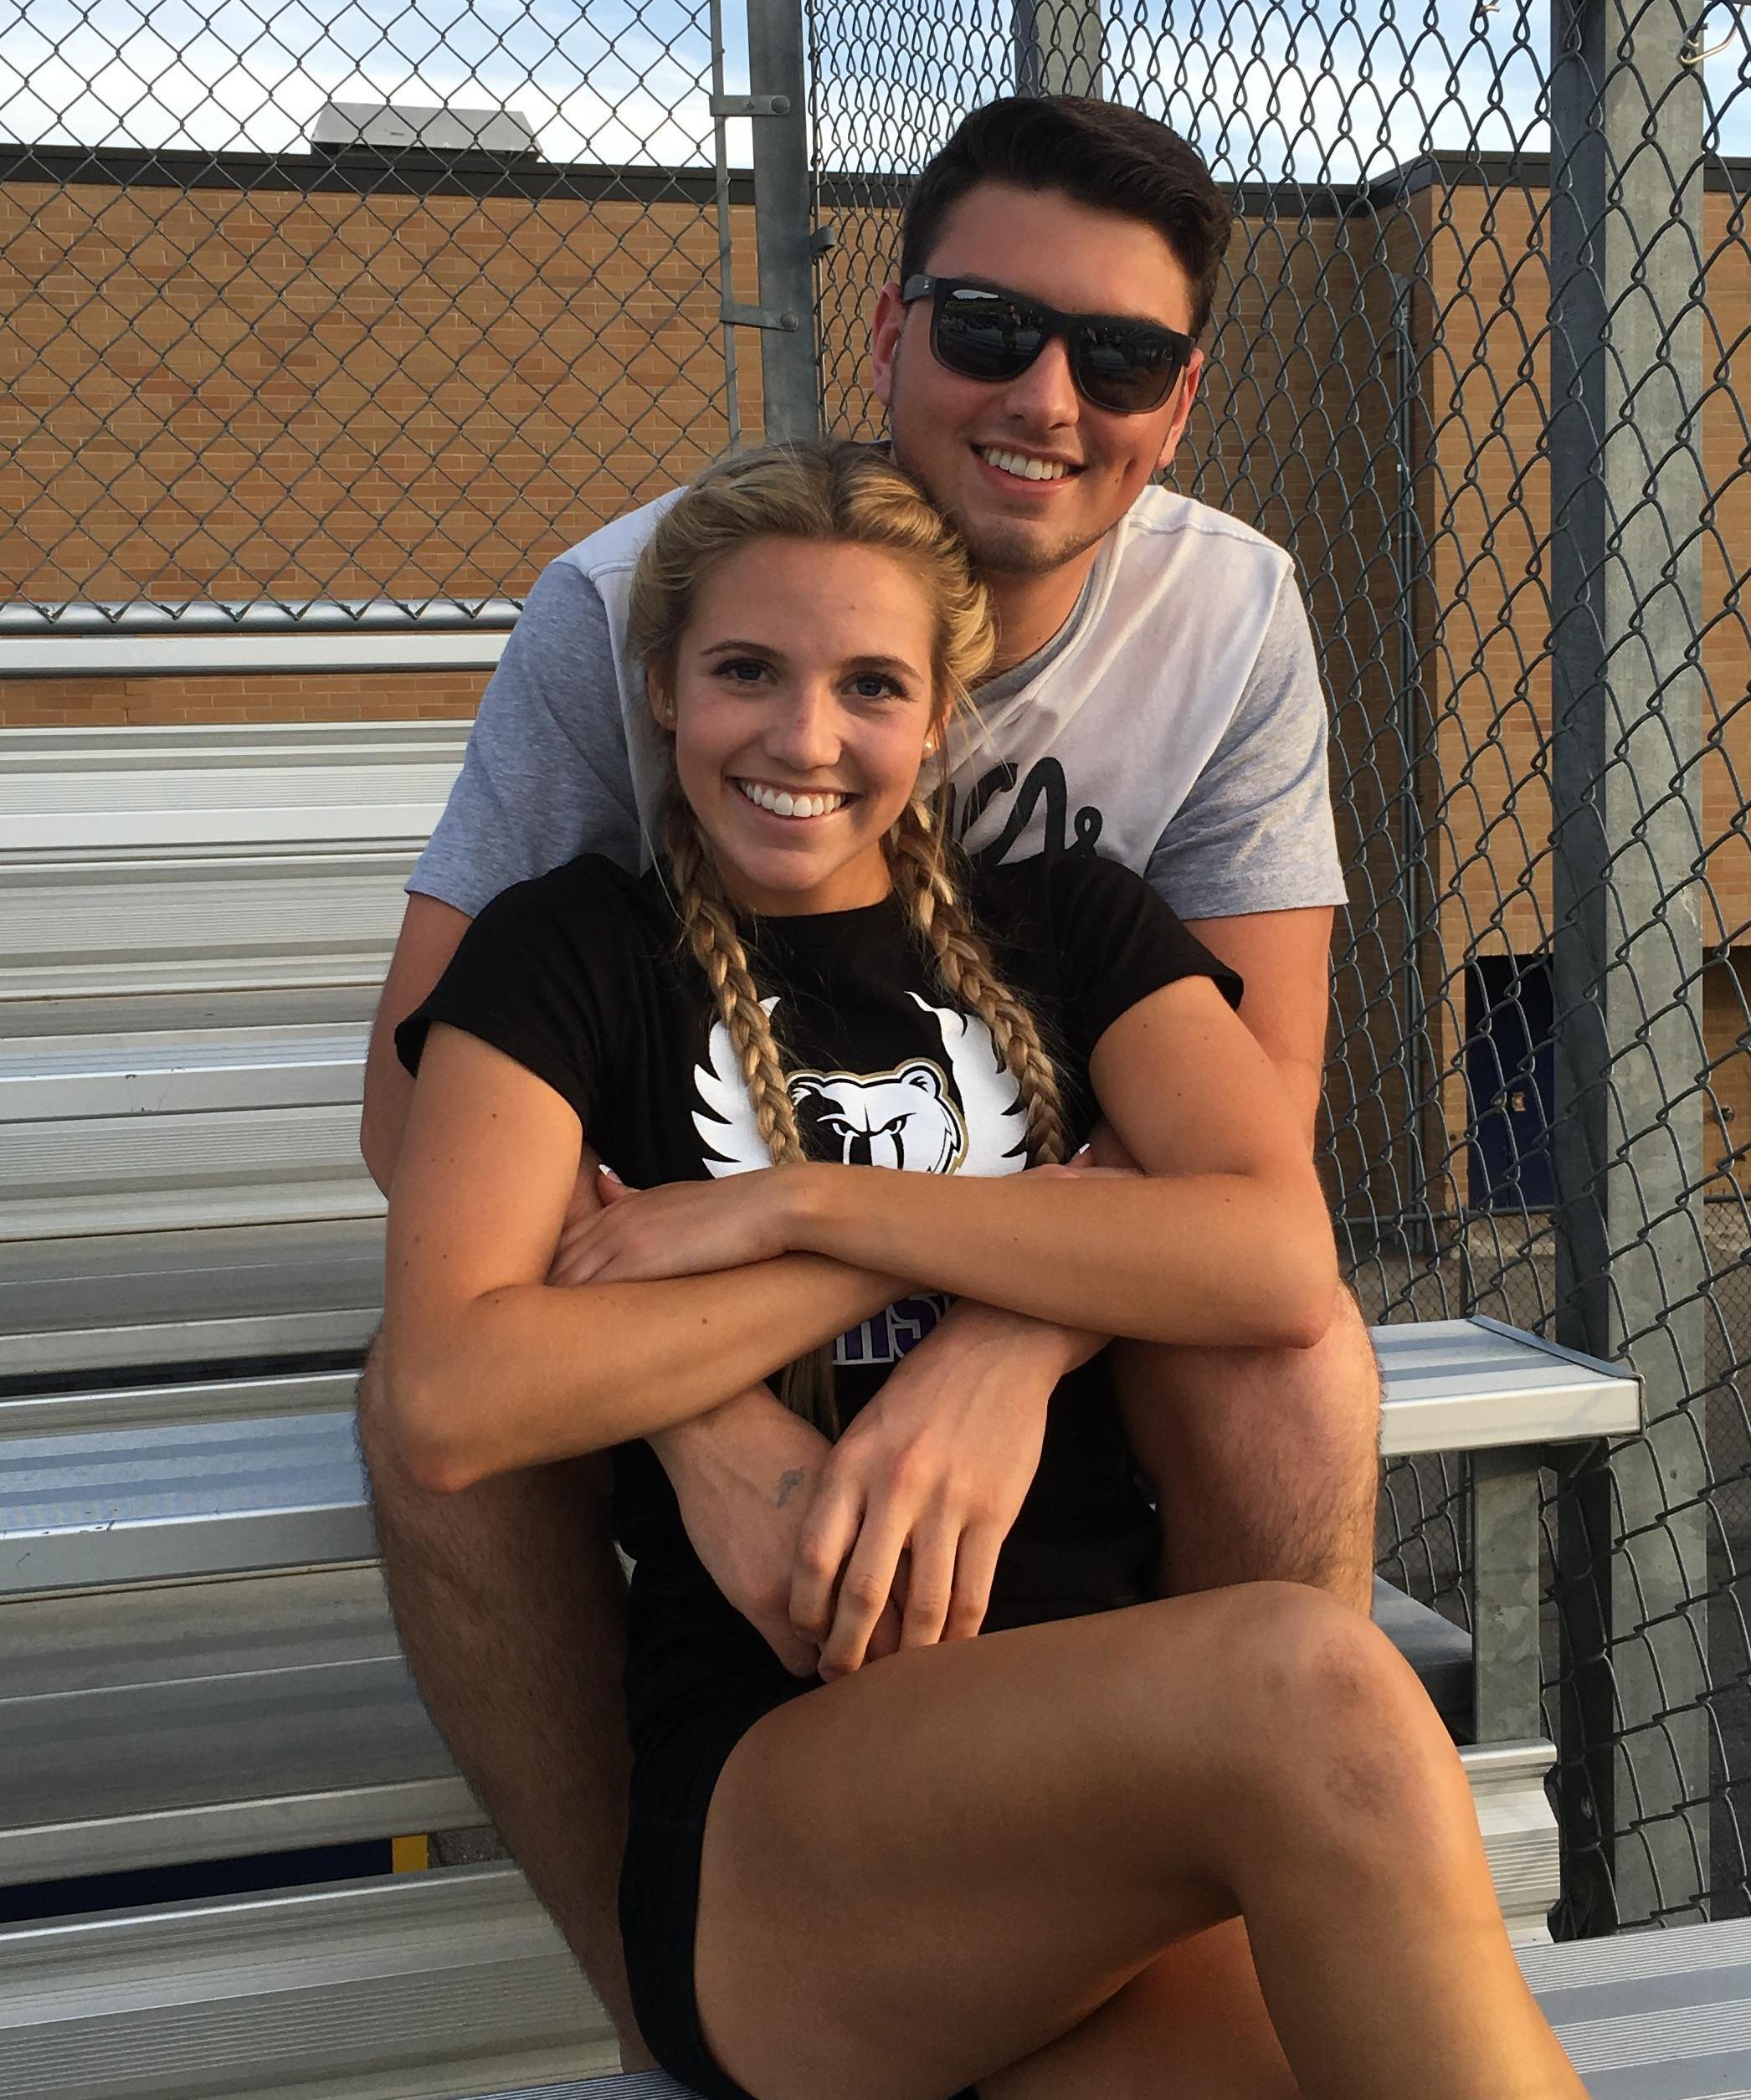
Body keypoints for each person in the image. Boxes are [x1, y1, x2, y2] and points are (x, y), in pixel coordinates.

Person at [357, 95, 1381, 2057]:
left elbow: (1264, 1139)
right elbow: (417, 1122)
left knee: (1300, 1360)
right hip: (672, 1250)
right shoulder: (647, 601)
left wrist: (993, 1329)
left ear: (1180, 400)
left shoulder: (1228, 619)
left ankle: (1193, 1925)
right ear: (893, 330)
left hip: (1011, 1260)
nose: (1048, 396)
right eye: (993, 326)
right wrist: (710, 1413)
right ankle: (666, 2013)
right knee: (422, 1417)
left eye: (1123, 356)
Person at [382, 440, 1583, 2100]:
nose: (804, 738)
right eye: (746, 671)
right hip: (794, 1833)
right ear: (660, 688)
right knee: (1319, 1693)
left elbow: (1269, 1250)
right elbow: (451, 1395)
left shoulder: (1069, 927)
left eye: (870, 684)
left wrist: (815, 1213)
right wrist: (1026, 1228)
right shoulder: (572, 952)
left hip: (1101, 1840)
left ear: (942, 718)